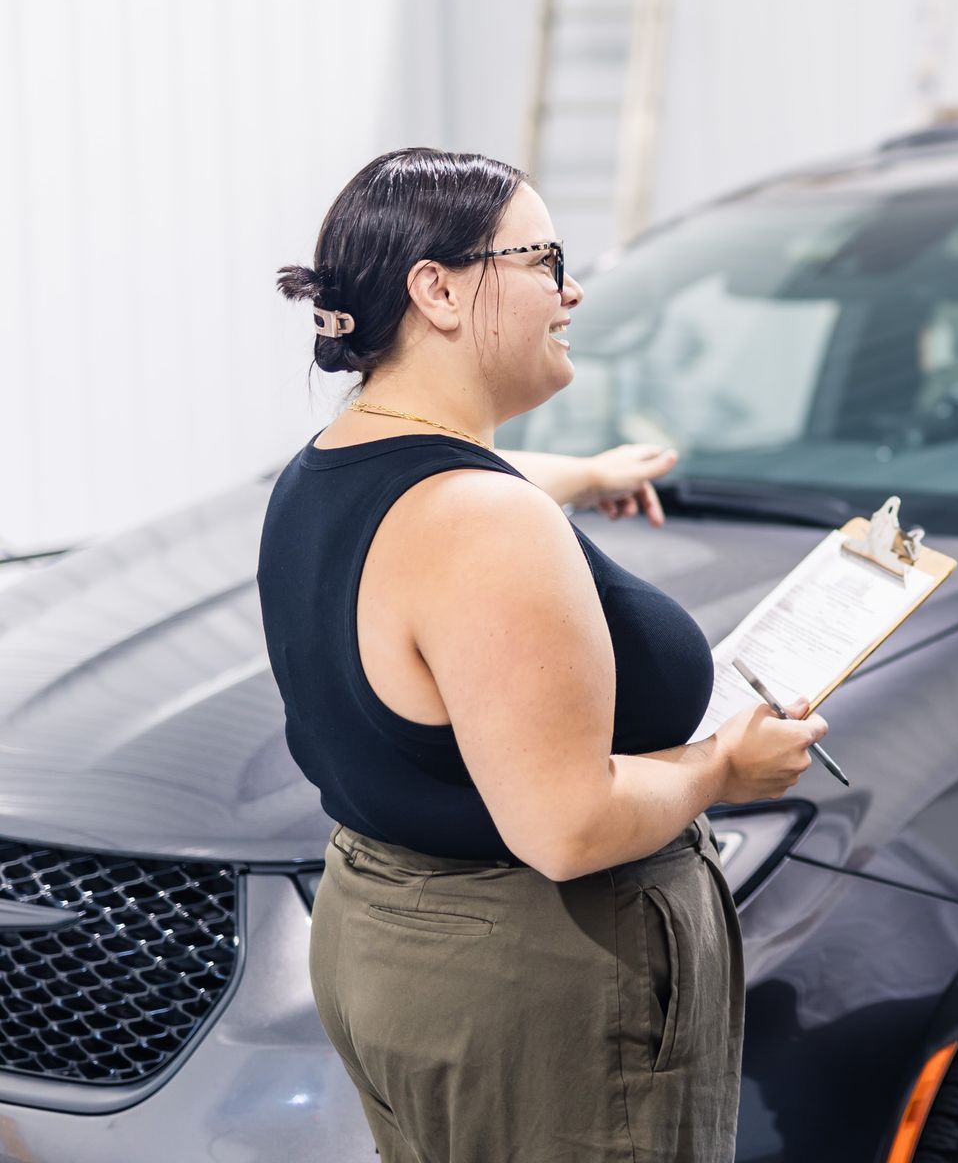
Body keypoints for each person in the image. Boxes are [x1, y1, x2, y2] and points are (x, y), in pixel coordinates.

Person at [256, 148, 826, 1162]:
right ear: (436, 288)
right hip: (532, 978)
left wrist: (588, 473)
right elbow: (566, 827)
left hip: (385, 934)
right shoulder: (486, 527)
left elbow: (464, 475)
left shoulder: (333, 465)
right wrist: (722, 768)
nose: (571, 291)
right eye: (544, 260)